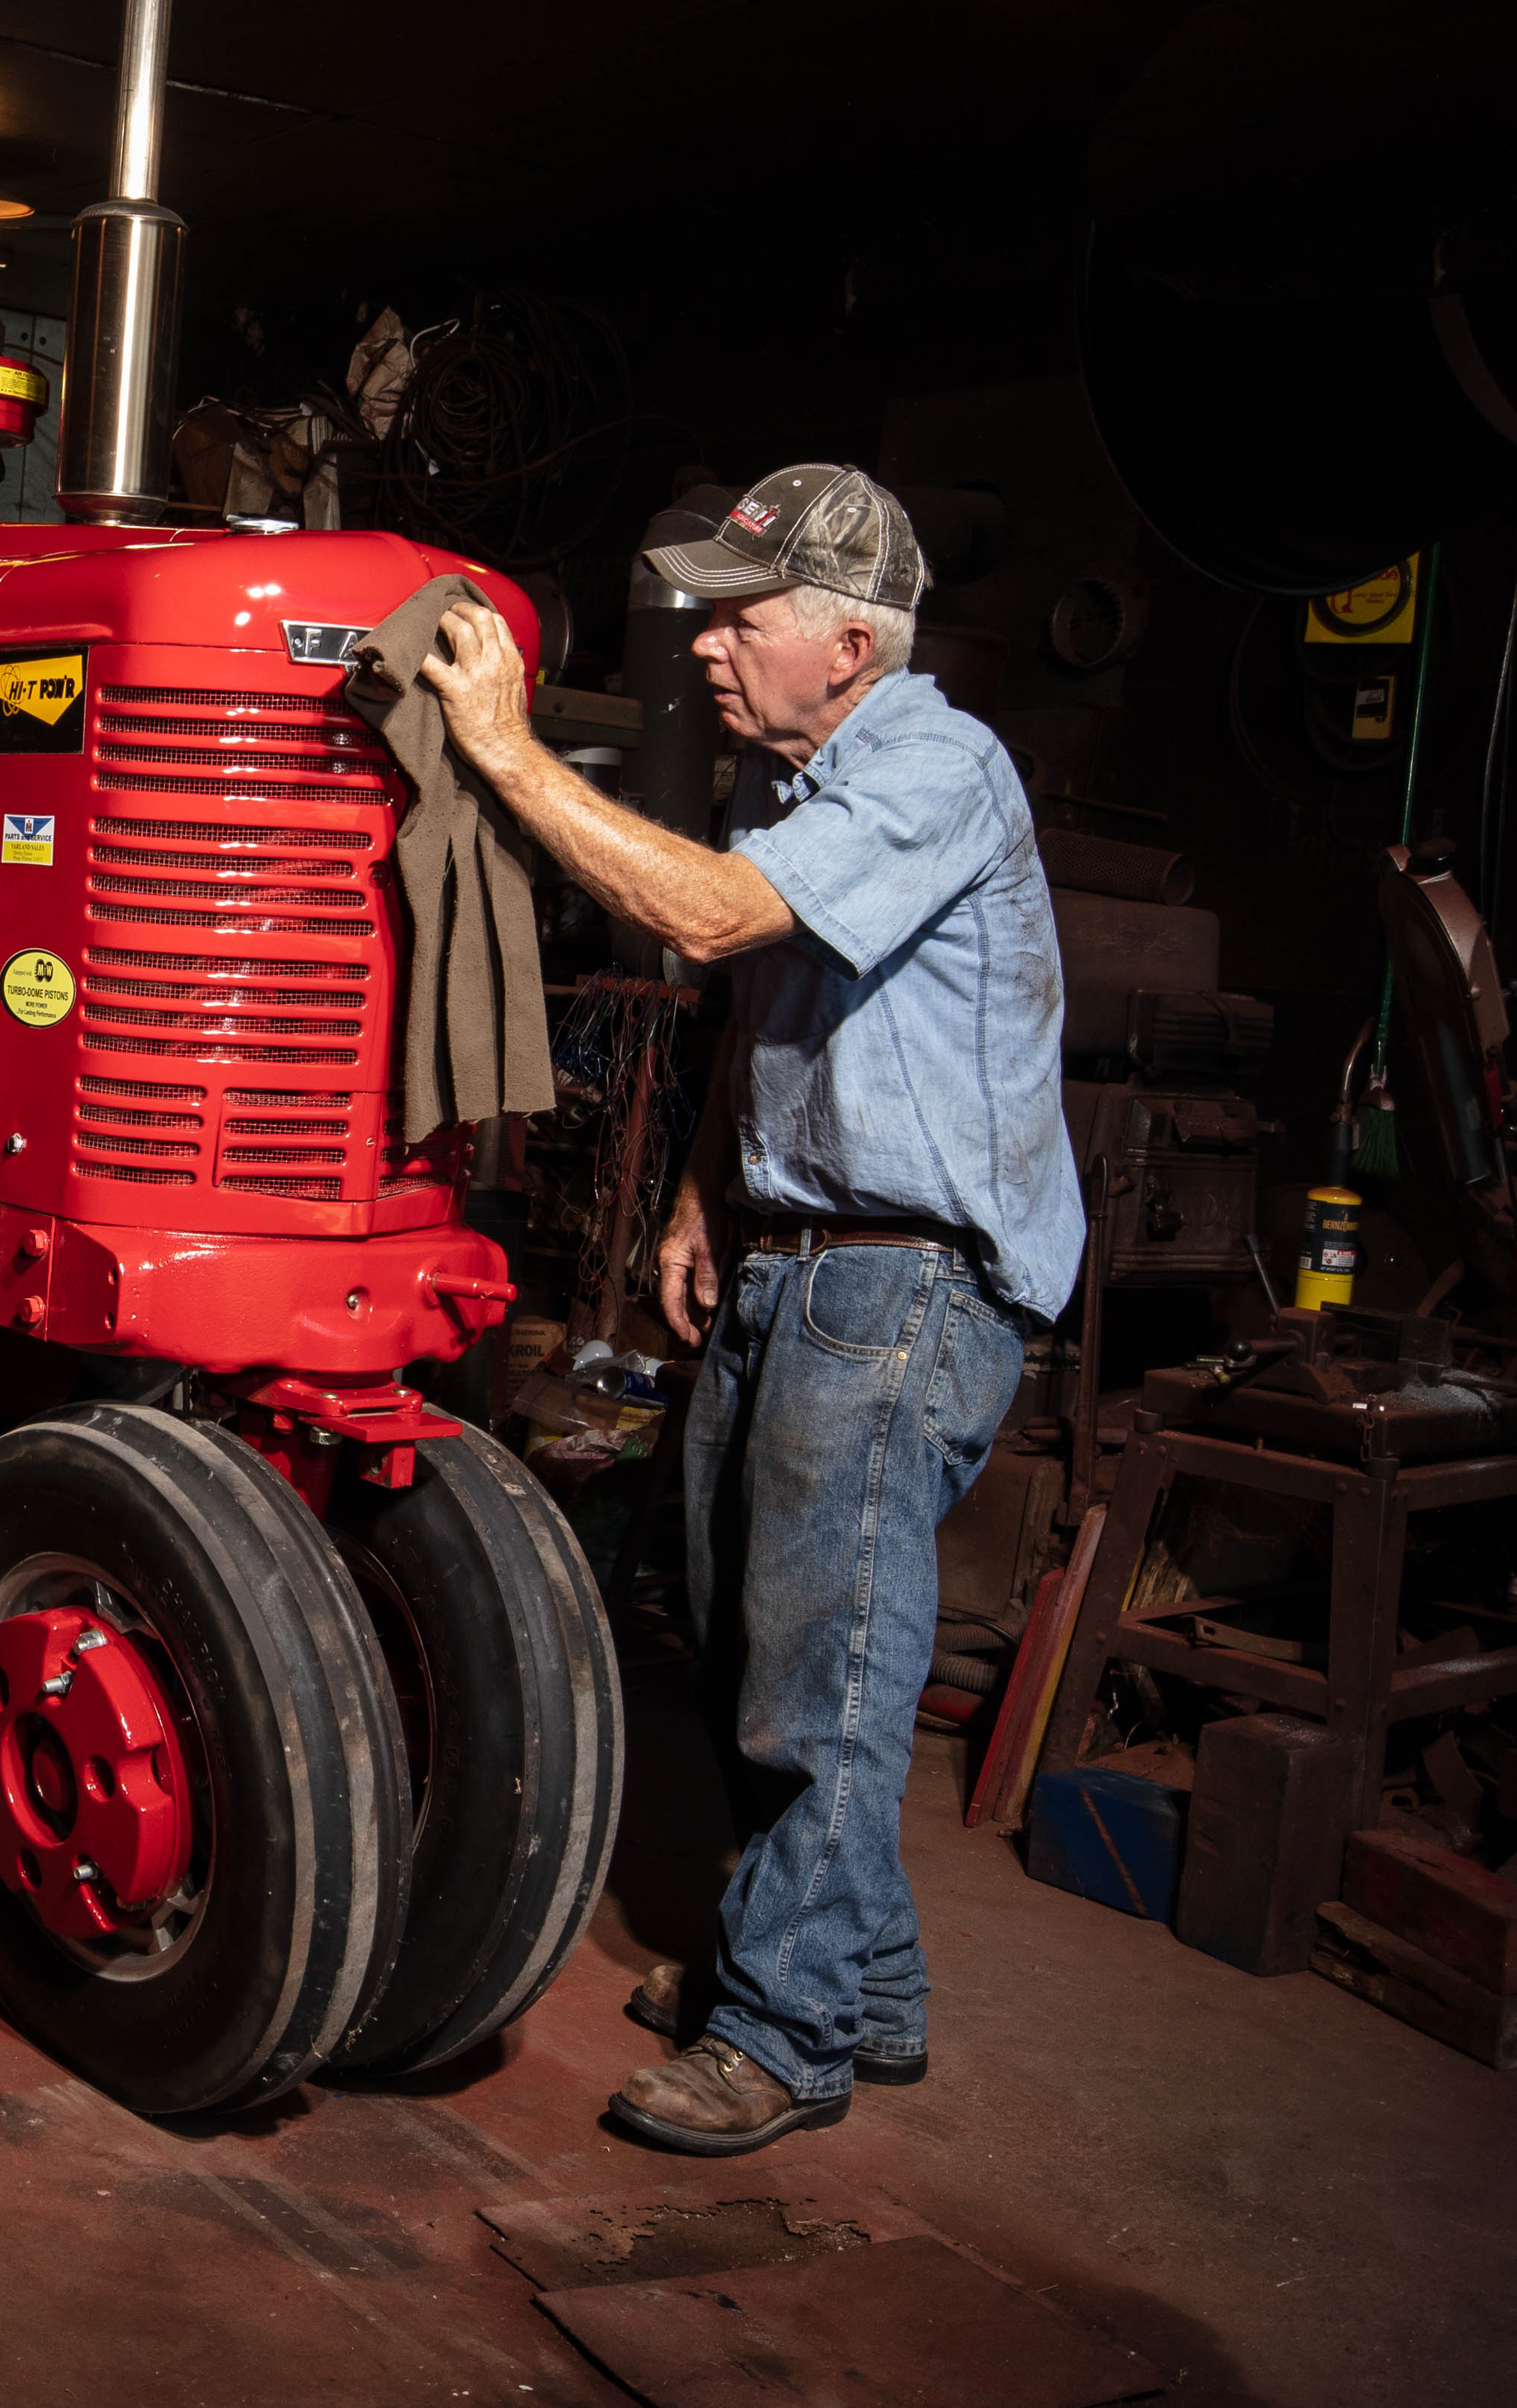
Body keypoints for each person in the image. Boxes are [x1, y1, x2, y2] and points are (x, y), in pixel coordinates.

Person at [414, 462, 1079, 2156]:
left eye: (746, 613)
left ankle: (784, 2031)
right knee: (732, 1617)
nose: (708, 641)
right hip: (803, 1250)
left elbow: (704, 917)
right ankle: (866, 1980)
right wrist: (715, 1188)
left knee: (820, 1663)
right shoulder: (796, 786)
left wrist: (505, 747)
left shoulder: (934, 764)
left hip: (908, 1277)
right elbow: (762, 1002)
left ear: (850, 640)